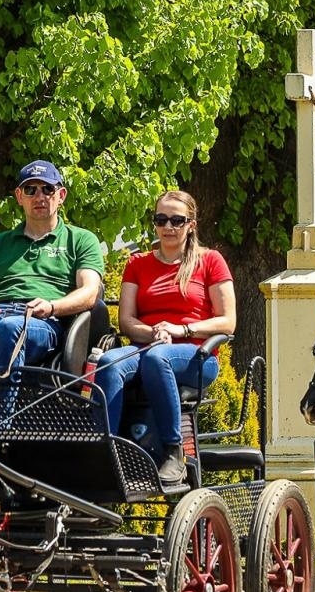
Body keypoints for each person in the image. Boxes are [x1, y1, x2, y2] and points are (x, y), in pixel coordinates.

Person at [93, 190, 235, 485]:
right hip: (147, 346)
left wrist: (181, 330)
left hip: (197, 356)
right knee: (108, 362)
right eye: (161, 220)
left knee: (158, 359)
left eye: (176, 220)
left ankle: (173, 451)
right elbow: (127, 321)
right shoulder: (137, 263)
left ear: (191, 225)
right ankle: (107, 451)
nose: (168, 227)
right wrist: (154, 332)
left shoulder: (210, 260)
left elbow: (228, 322)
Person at [0, 161, 104, 396]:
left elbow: (90, 292)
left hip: (44, 322)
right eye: (30, 190)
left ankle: (2, 416)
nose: (39, 196)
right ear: (19, 196)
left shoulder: (81, 240)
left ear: (61, 195)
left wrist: (52, 306)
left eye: (48, 189)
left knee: (11, 328)